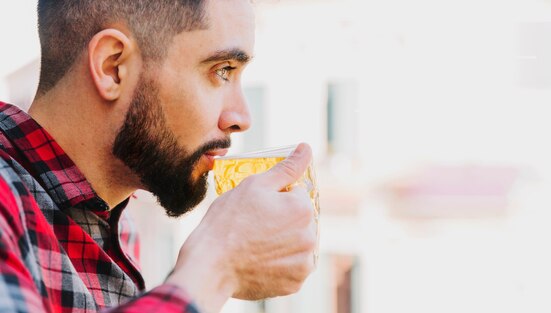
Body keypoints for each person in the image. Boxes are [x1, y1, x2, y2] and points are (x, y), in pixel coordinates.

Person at [0, 0, 317, 312]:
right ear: (113, 68)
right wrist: (216, 267)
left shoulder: (120, 224)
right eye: (222, 71)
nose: (242, 117)